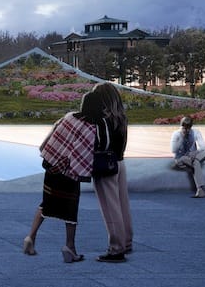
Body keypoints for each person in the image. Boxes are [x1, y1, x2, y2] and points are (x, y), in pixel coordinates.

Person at [23, 91, 100, 263]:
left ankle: (30, 237)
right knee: (70, 209)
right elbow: (83, 154)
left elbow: (52, 136)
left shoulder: (69, 117)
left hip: (51, 168)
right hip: (69, 173)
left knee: (46, 203)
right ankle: (69, 247)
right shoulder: (91, 128)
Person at [91, 82, 132, 263]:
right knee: (122, 205)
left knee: (110, 208)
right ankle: (127, 241)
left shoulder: (102, 119)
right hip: (120, 162)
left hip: (106, 165)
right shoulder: (121, 117)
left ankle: (116, 248)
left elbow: (99, 143)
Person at [170, 117, 205, 198]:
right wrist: (181, 139)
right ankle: (200, 190)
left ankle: (196, 159)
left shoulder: (195, 132)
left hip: (194, 156)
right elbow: (173, 150)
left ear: (191, 127)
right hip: (181, 157)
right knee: (195, 163)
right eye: (184, 128)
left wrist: (195, 153)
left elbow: (203, 146)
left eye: (188, 128)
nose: (186, 130)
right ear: (181, 126)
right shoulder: (176, 134)